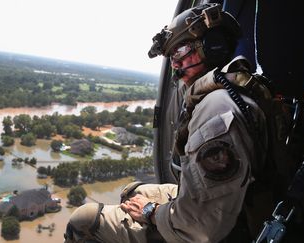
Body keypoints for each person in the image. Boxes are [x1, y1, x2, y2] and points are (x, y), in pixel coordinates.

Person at [64, 3, 268, 243]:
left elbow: (201, 228)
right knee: (133, 192)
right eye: (172, 57)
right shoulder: (231, 92)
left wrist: (150, 212)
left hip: (227, 230)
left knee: (85, 219)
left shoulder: (217, 108)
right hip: (233, 207)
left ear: (212, 48)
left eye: (179, 53)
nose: (174, 64)